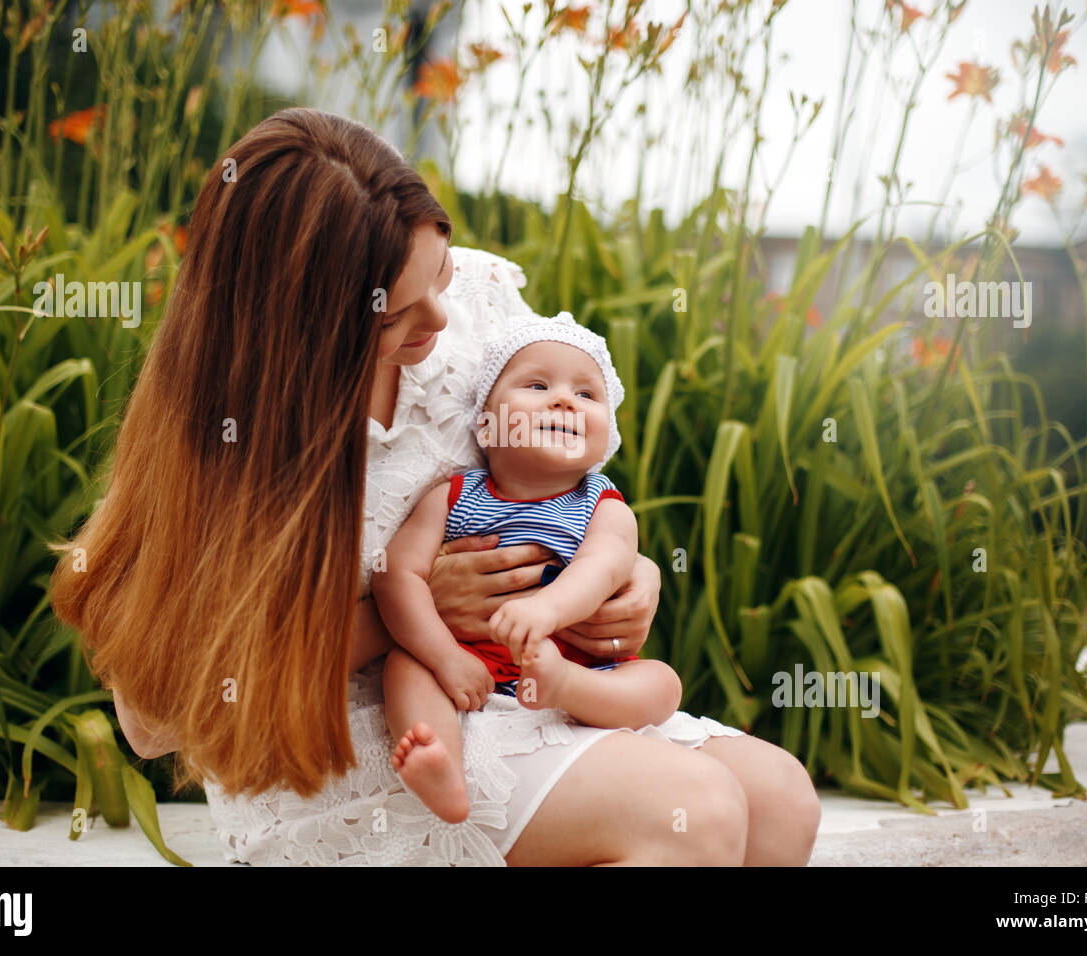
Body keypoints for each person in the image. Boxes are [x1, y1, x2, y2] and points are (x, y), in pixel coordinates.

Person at [51, 107, 821, 866]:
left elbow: (571, 482)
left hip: (523, 685)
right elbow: (151, 723)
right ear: (306, 334)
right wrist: (409, 615)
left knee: (781, 801)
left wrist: (629, 578)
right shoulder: (220, 436)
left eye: (441, 274)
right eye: (398, 314)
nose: (441, 320)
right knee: (697, 815)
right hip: (363, 740)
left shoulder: (479, 300)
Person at [373, 316, 683, 823]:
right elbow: (397, 576)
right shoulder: (452, 496)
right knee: (405, 668)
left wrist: (546, 609)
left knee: (661, 683)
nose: (564, 400)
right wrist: (445, 655)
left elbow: (601, 570)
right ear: (485, 423)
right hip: (469, 661)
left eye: (587, 394)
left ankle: (567, 692)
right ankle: (442, 769)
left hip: (577, 659)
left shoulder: (603, 506)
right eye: (538, 386)